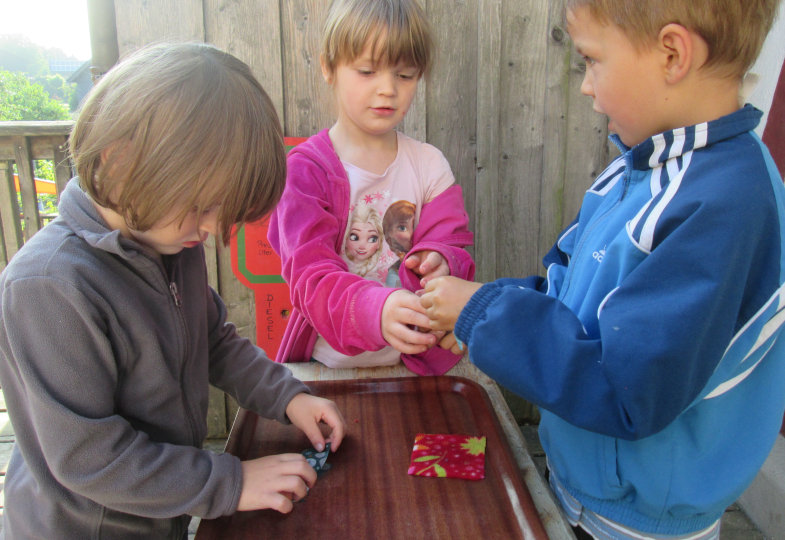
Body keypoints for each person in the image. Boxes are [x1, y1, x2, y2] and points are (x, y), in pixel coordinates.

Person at [420, 0, 785, 537]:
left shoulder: (725, 207)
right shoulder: (639, 168)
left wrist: (483, 313)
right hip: (583, 488)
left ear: (672, 54)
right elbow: (565, 293)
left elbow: (626, 390)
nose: (586, 86)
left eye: (592, 60)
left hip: (636, 522)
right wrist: (476, 311)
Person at [0, 42, 346, 539]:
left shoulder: (169, 239)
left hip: (162, 511)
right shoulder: (49, 287)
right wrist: (230, 480)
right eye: (202, 206)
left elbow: (215, 341)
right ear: (121, 162)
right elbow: (90, 460)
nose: (208, 229)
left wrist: (287, 396)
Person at [268, 0, 475, 374]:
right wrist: (374, 310)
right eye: (367, 71)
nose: (387, 90)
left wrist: (442, 262)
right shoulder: (304, 173)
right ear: (328, 67)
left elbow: (453, 245)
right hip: (327, 365)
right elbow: (309, 276)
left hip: (414, 365)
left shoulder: (429, 165)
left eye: (405, 75)